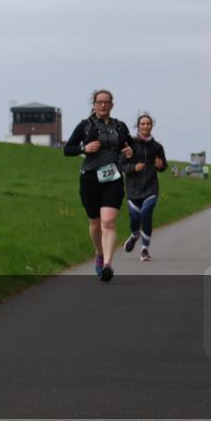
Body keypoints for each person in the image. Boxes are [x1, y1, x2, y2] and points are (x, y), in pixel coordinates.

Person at [63, 89, 134, 282]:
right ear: (94, 104)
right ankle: (100, 254)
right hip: (90, 178)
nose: (103, 105)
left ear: (112, 105)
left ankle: (107, 265)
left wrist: (130, 151)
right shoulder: (85, 125)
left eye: (106, 102)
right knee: (95, 224)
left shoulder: (120, 126)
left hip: (113, 178)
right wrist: (83, 148)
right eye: (99, 101)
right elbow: (67, 149)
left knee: (108, 222)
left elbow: (131, 147)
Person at [118, 113, 167, 262]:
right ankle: (134, 235)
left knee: (146, 214)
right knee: (135, 219)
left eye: (148, 124)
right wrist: (133, 168)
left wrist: (160, 165)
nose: (145, 126)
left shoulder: (157, 147)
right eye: (143, 124)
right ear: (138, 126)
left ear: (152, 126)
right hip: (133, 189)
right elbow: (120, 165)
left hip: (151, 187)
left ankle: (144, 249)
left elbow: (163, 165)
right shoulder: (129, 145)